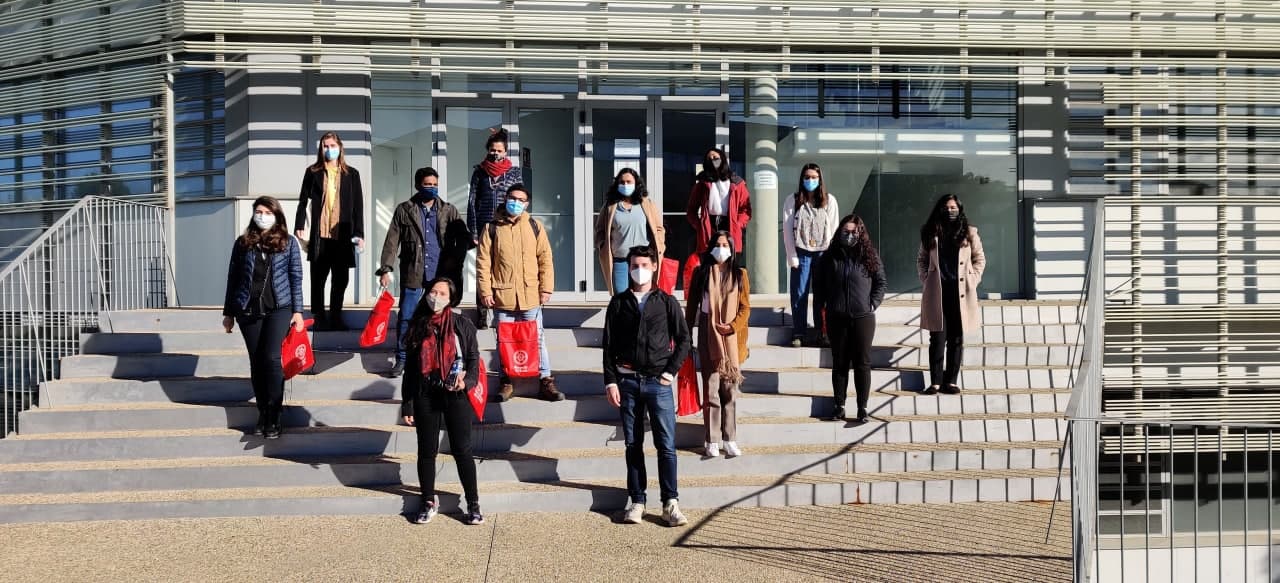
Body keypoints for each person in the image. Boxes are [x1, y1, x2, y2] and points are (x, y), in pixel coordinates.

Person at [602, 245, 692, 527]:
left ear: (654, 266)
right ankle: (637, 500)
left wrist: (670, 374)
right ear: (628, 268)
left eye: (644, 264)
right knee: (633, 444)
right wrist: (611, 381)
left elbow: (684, 340)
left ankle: (670, 503)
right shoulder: (618, 303)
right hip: (627, 381)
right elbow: (607, 346)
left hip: (658, 382)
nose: (638, 269)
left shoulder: (666, 302)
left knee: (666, 445)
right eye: (633, 265)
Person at [400, 277, 484, 526]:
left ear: (451, 298)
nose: (436, 297)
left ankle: (473, 502)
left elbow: (473, 360)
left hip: (455, 393)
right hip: (426, 392)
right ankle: (428, 500)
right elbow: (411, 370)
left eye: (442, 293)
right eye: (433, 292)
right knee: (426, 451)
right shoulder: (419, 325)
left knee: (462, 450)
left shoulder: (461, 324)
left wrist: (466, 382)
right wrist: (407, 403)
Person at [223, 196, 305, 439]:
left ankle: (275, 414)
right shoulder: (243, 243)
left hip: (279, 307)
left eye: (267, 212)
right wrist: (228, 313)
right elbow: (233, 278)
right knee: (256, 362)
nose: (262, 215)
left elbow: (296, 278)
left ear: (276, 215)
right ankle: (262, 413)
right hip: (248, 309)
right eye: (258, 211)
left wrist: (298, 311)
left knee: (271, 358)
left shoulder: (288, 243)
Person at [377, 167, 472, 377]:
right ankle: (402, 358)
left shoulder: (448, 210)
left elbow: (463, 236)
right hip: (414, 271)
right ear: (418, 185)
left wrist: (459, 254)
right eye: (427, 184)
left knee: (438, 317)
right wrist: (386, 268)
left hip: (440, 274)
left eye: (435, 184)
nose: (432, 188)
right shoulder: (405, 209)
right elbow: (392, 242)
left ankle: (437, 357)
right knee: (407, 316)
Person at [476, 183, 563, 402]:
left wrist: (546, 288)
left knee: (538, 339)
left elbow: (545, 259)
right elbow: (483, 263)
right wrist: (485, 291)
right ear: (505, 199)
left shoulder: (535, 226)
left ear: (527, 203)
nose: (515, 202)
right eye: (512, 198)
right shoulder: (492, 228)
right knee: (504, 342)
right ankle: (506, 381)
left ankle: (545, 381)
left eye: (521, 200)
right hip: (502, 296)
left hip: (531, 295)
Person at [814, 215, 887, 423]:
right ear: (839, 232)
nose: (850, 235)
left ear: (861, 233)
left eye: (854, 232)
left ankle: (862, 407)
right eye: (846, 231)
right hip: (837, 317)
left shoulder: (869, 255)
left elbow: (881, 282)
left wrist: (872, 303)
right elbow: (818, 289)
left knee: (862, 363)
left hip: (863, 317)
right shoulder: (829, 257)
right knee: (840, 363)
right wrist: (821, 319)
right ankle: (839, 406)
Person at [684, 231, 750, 458]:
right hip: (707, 331)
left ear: (732, 249)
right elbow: (692, 305)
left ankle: (729, 438)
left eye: (725, 245)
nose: (721, 249)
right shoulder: (701, 273)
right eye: (717, 244)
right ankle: (711, 439)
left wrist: (732, 326)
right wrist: (687, 332)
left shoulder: (740, 275)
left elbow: (745, 308)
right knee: (712, 388)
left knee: (730, 390)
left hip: (731, 337)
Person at [294, 131, 365, 331]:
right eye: (325, 146)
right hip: (320, 234)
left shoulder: (352, 174)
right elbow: (303, 201)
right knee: (318, 278)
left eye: (332, 145)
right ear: (321, 148)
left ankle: (336, 316)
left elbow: (358, 207)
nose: (329, 149)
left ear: (340, 147)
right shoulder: (313, 171)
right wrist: (300, 225)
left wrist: (359, 233)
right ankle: (319, 316)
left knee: (340, 279)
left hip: (343, 233)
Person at [917, 194, 986, 396]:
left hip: (961, 293)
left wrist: (973, 279)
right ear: (940, 209)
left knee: (956, 338)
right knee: (937, 338)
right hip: (938, 292)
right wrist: (926, 278)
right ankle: (936, 381)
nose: (950, 211)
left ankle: (952, 381)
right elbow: (921, 259)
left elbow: (979, 259)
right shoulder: (930, 232)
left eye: (954, 207)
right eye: (947, 207)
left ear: (960, 209)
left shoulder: (969, 232)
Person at [466, 128, 524, 329]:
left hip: (505, 225)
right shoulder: (479, 172)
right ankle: (482, 314)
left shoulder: (514, 172)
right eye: (492, 150)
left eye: (499, 150)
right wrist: (473, 231)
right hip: (484, 226)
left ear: (506, 152)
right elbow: (472, 201)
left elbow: (521, 199)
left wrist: (519, 225)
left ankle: (503, 311)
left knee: (504, 268)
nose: (495, 154)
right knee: (483, 269)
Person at [782, 163, 840, 348]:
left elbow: (835, 230)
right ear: (801, 179)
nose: (810, 180)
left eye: (814, 177)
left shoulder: (829, 201)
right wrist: (792, 256)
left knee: (822, 294)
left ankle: (822, 332)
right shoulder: (792, 200)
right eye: (807, 177)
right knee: (799, 293)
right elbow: (787, 231)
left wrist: (833, 257)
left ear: (820, 179)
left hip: (823, 253)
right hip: (801, 252)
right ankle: (799, 332)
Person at [594, 168, 666, 295]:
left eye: (629, 182)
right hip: (620, 260)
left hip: (642, 260)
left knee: (642, 296)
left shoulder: (646, 204)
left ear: (636, 183)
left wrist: (660, 245)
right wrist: (602, 244)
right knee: (622, 299)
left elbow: (659, 228)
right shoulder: (610, 206)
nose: (625, 185)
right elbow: (599, 229)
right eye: (622, 182)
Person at [686, 147, 751, 255]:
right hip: (709, 225)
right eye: (709, 158)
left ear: (723, 159)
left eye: (715, 157)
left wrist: (738, 224)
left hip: (730, 224)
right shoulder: (702, 184)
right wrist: (699, 225)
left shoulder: (737, 183)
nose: (712, 160)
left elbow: (746, 209)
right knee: (709, 265)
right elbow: (691, 210)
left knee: (729, 265)